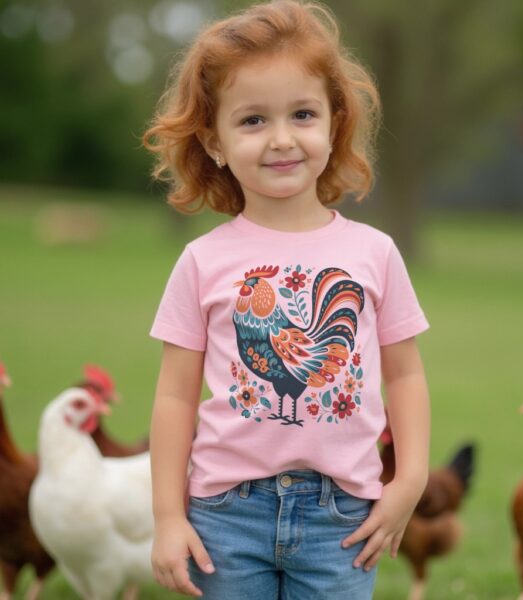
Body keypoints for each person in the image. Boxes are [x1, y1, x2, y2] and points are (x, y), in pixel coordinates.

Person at [143, 1, 430, 598]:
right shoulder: (202, 261)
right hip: (225, 513)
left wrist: (409, 480)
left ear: (334, 123)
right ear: (214, 140)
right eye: (252, 120)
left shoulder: (375, 253)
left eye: (302, 113)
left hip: (343, 517)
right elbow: (174, 395)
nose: (281, 139)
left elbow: (404, 377)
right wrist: (170, 517)